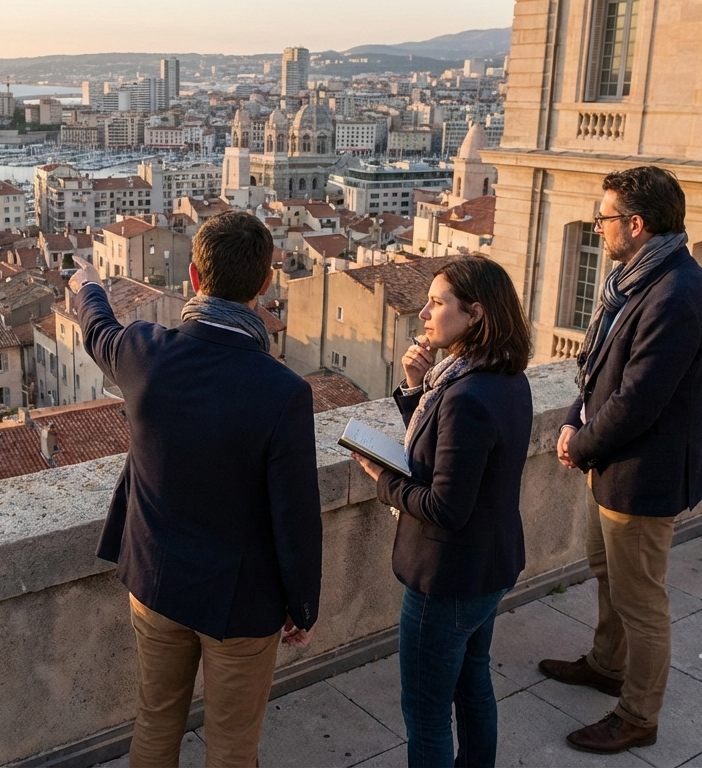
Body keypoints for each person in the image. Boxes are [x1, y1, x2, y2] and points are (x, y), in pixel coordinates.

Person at [69, 211, 322, 767]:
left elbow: (97, 330)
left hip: (156, 582)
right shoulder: (282, 391)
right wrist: (302, 604)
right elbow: (297, 513)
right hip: (242, 601)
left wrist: (88, 285)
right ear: (264, 284)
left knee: (156, 721)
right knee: (232, 746)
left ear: (193, 277)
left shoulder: (144, 355)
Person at [540, 166, 702, 754]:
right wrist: (571, 420)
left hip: (642, 474)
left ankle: (638, 715)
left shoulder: (677, 292)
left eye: (605, 217)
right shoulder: (637, 279)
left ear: (636, 224)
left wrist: (578, 444)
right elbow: (601, 367)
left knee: (641, 598)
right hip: (612, 464)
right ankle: (608, 664)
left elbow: (639, 399)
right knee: (606, 570)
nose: (599, 226)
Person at [352, 256, 533, 768]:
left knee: (426, 713)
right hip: (487, 565)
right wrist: (416, 389)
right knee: (473, 684)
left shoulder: (466, 395)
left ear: (474, 313)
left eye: (437, 302)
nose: (424, 311)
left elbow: (444, 506)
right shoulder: (501, 378)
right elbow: (449, 453)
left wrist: (381, 479)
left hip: (447, 576)